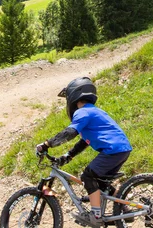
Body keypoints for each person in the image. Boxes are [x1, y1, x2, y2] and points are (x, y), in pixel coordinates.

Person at [35, 77, 133, 226]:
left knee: (88, 176)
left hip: (113, 150)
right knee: (100, 183)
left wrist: (47, 144)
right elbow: (84, 142)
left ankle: (96, 216)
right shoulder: (93, 111)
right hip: (121, 149)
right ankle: (124, 209)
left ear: (73, 97)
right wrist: (68, 156)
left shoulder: (83, 112)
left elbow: (70, 132)